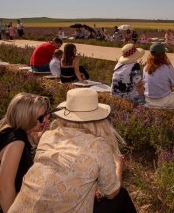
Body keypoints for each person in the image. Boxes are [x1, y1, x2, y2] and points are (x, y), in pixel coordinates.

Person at [9, 88, 137, 213]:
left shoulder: (48, 136)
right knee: (122, 196)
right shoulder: (99, 146)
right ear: (98, 119)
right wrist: (119, 165)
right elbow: (112, 193)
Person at [0, 93, 51, 212]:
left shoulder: (5, 123)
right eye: (41, 118)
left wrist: (41, 134)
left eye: (47, 114)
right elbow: (4, 187)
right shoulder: (16, 141)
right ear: (26, 118)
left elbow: (30, 138)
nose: (46, 119)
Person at [143, 43, 174, 109]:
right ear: (163, 55)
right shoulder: (167, 67)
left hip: (148, 101)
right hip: (164, 101)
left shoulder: (145, 68)